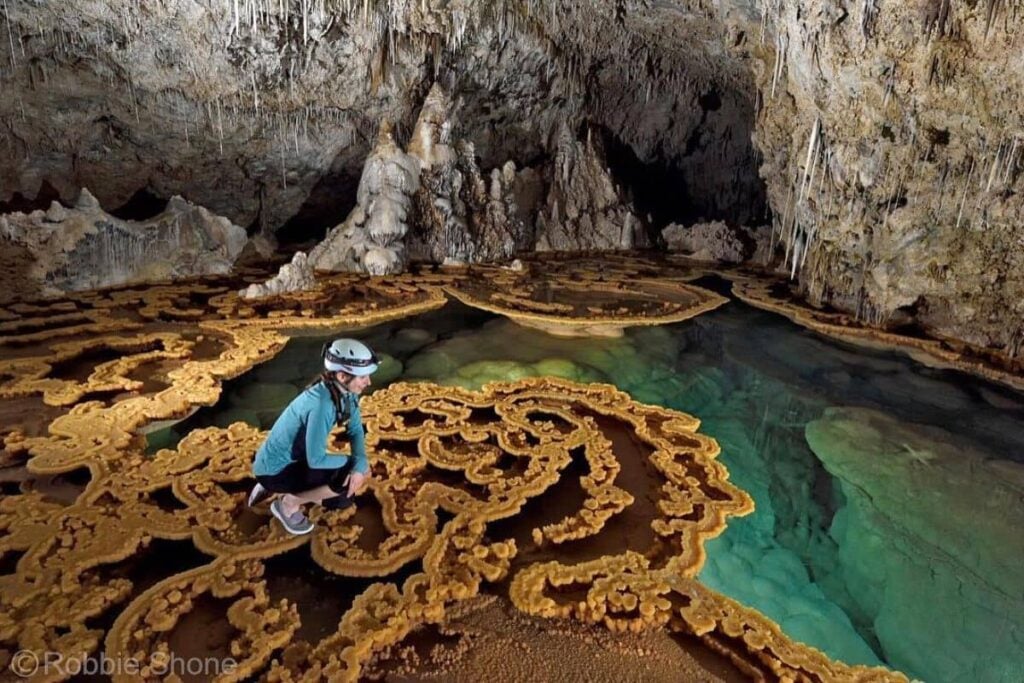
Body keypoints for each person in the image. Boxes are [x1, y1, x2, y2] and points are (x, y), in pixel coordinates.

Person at [247, 338, 378, 535]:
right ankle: (287, 503)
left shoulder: (345, 393)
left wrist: (360, 463)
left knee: (343, 498)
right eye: (363, 377)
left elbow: (355, 430)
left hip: (286, 461)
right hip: (274, 471)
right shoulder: (322, 404)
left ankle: (274, 487)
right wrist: (354, 463)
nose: (369, 382)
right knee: (348, 478)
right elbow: (316, 460)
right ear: (342, 376)